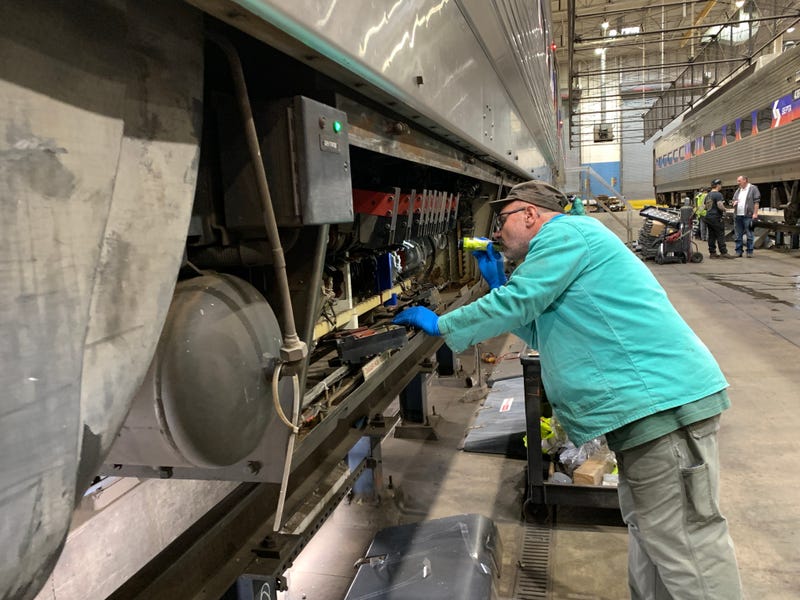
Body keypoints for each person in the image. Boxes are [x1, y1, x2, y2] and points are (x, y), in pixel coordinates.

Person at [393, 180, 742, 599]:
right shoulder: (572, 241)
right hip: (649, 411)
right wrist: (501, 288)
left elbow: (520, 303)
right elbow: (545, 330)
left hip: (663, 409)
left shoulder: (566, 233)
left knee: (687, 546)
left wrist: (444, 323)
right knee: (655, 538)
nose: (497, 233)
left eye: (501, 221)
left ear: (529, 214)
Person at [704, 179, 734, 259]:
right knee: (720, 235)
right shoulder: (718, 194)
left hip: (708, 217)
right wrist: (725, 209)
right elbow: (720, 205)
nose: (721, 186)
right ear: (718, 185)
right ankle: (724, 252)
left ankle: (712, 253)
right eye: (720, 185)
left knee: (711, 236)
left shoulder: (708, 195)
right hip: (716, 218)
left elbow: (705, 207)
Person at [732, 175, 760, 257]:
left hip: (748, 215)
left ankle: (749, 252)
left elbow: (756, 202)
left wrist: (755, 213)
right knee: (738, 234)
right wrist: (734, 203)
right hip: (738, 215)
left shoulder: (753, 189)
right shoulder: (738, 190)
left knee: (749, 234)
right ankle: (738, 251)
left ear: (745, 180)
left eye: (739, 181)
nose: (738, 183)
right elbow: (733, 200)